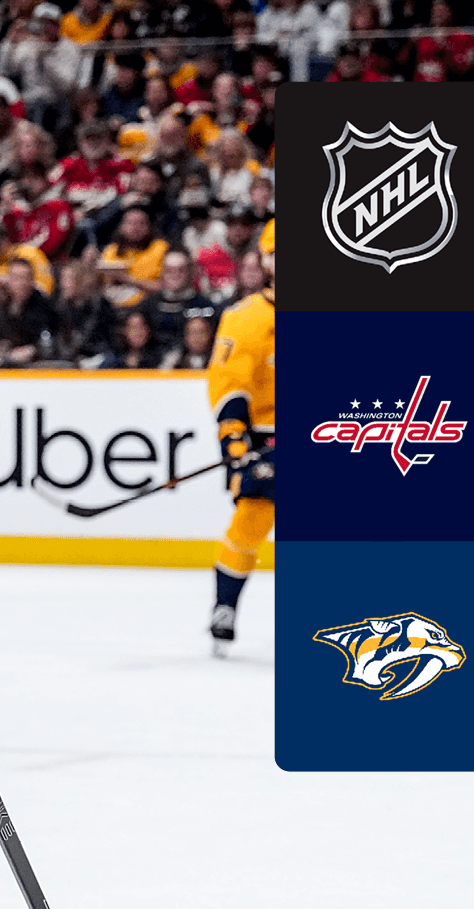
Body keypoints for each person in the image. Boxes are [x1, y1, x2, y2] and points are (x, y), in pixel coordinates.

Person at [207, 219, 275, 657]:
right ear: (267, 261)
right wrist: (235, 437)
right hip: (268, 439)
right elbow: (230, 383)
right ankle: (225, 607)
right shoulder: (246, 317)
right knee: (250, 521)